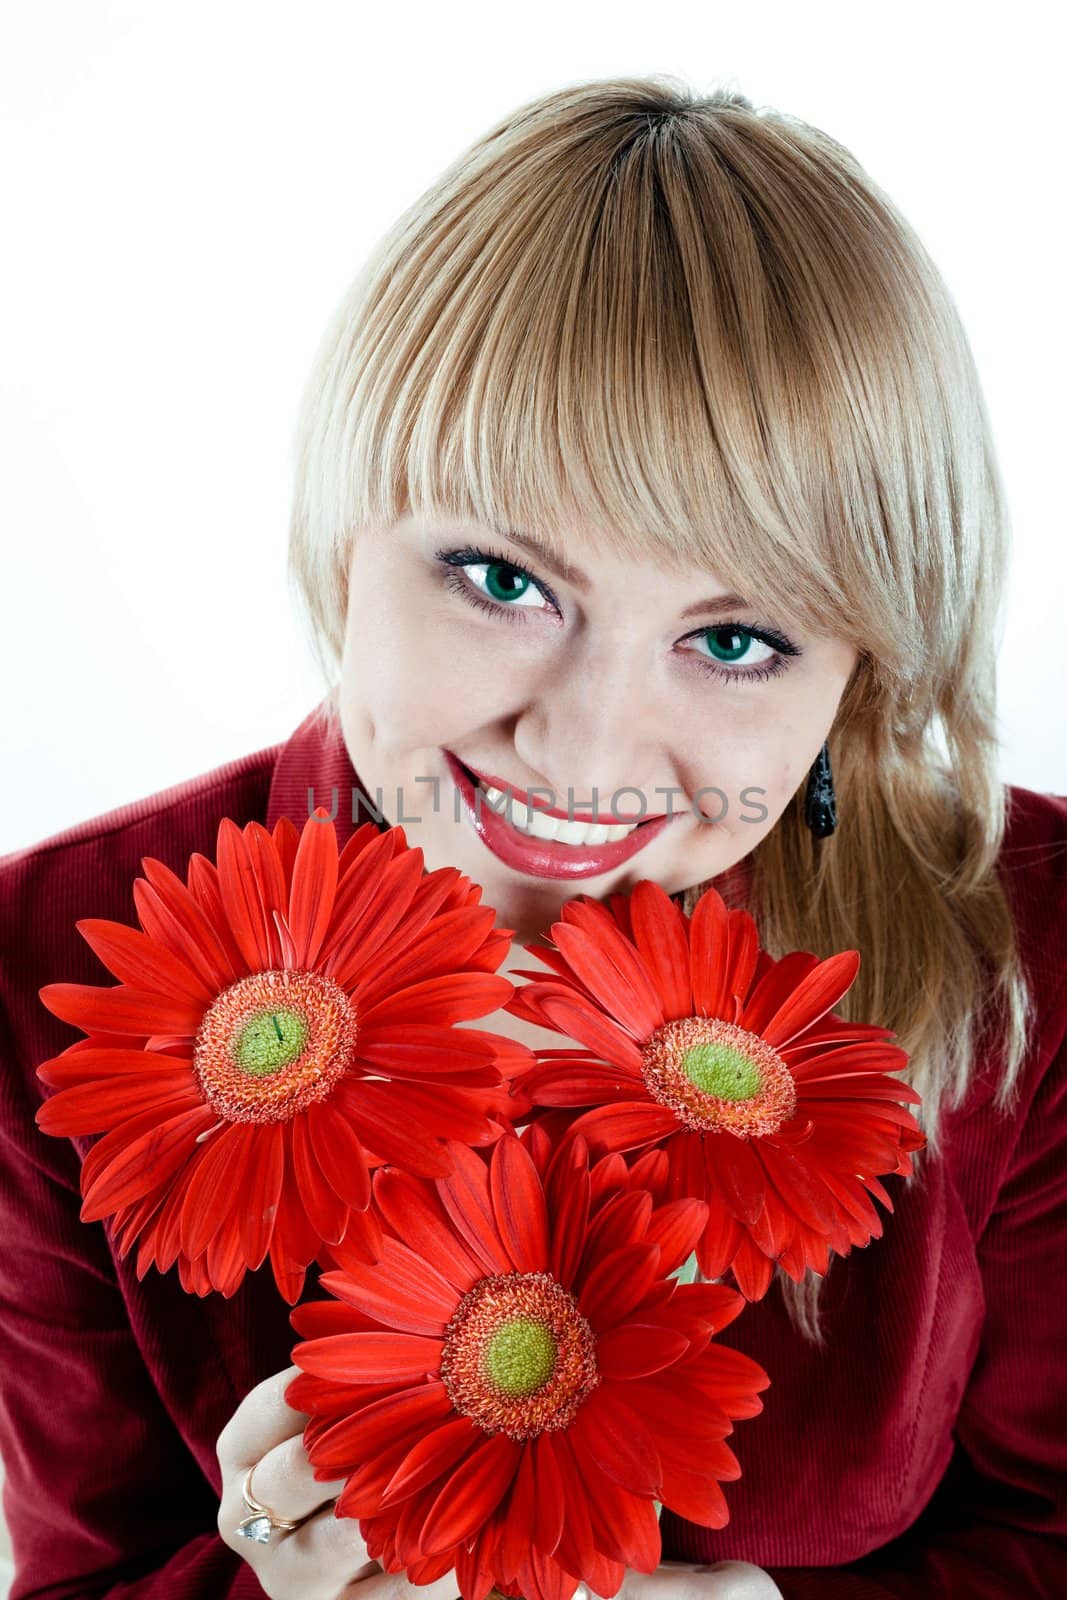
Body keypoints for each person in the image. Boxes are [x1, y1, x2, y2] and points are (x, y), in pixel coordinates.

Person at [0, 73, 1064, 1600]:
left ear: (864, 672)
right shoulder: (45, 962)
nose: (581, 748)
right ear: (346, 525)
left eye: (739, 637)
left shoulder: (1035, 948)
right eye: (503, 579)